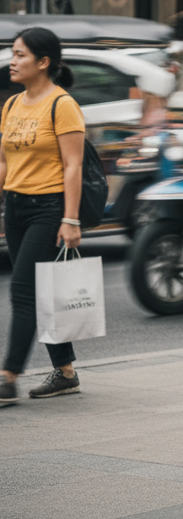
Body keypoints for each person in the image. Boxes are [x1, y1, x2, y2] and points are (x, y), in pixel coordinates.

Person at [0, 28, 86, 406]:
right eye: (12, 54)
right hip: (16, 207)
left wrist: (71, 219)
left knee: (23, 292)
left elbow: (73, 164)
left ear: (43, 62)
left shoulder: (61, 104)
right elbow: (4, 161)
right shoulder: (12, 105)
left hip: (48, 208)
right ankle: (65, 372)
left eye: (20, 55)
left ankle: (8, 377)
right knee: (42, 292)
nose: (12, 61)